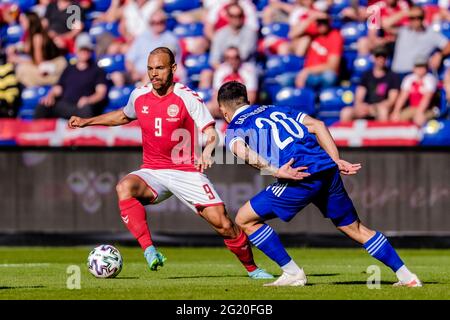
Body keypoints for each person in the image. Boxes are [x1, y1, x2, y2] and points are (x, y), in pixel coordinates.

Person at [67, 47, 272, 279]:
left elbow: (211, 131)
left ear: (173, 69)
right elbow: (124, 115)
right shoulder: (139, 95)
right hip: (153, 171)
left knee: (223, 224)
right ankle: (149, 250)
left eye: (160, 68)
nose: (154, 74)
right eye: (150, 69)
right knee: (124, 187)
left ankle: (253, 269)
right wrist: (87, 121)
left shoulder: (188, 97)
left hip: (185, 171)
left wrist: (208, 151)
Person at [218, 80, 422, 287]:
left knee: (245, 219)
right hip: (326, 169)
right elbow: (318, 125)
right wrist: (335, 159)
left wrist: (275, 170)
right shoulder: (277, 109)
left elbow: (240, 151)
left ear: (223, 110)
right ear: (248, 100)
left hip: (301, 174)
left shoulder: (235, 125)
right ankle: (407, 276)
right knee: (354, 228)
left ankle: (292, 273)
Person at [34, 33, 108, 119]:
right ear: (76, 50)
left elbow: (101, 93)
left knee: (86, 111)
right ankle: (37, 131)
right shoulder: (69, 69)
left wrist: (88, 100)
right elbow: (59, 88)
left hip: (82, 107)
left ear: (91, 51)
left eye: (87, 49)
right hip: (65, 105)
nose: (84, 52)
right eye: (82, 49)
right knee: (43, 106)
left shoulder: (97, 70)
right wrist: (50, 96)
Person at [340, 45, 400, 122]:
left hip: (380, 108)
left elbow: (391, 100)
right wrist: (360, 106)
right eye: (378, 56)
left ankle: (382, 134)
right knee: (346, 112)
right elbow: (359, 95)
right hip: (367, 107)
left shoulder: (392, 76)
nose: (380, 59)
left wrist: (374, 107)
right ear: (373, 58)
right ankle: (346, 134)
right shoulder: (366, 75)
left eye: (383, 56)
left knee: (383, 111)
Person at [295, 15, 343, 90]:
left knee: (329, 77)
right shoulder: (312, 33)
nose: (322, 25)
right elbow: (291, 35)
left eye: (324, 22)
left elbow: (332, 66)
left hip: (322, 74)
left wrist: (307, 71)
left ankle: (323, 99)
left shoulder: (335, 36)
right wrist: (309, 19)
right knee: (285, 79)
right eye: (319, 22)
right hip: (307, 74)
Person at [390, 55, 438, 126]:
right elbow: (402, 97)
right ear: (414, 68)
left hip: (428, 109)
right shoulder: (409, 79)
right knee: (395, 118)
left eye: (423, 66)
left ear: (426, 68)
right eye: (418, 66)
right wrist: (396, 111)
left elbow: (427, 98)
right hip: (412, 108)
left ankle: (419, 136)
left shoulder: (430, 79)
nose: (420, 69)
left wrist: (419, 112)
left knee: (419, 119)